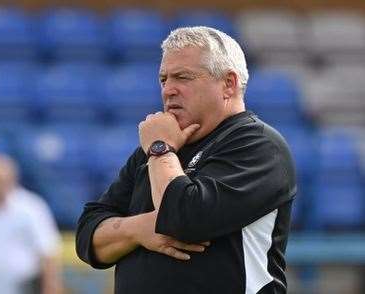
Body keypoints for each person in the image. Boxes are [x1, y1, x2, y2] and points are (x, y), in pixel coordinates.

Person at [76, 26, 296, 294]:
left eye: (182, 77)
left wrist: (160, 149)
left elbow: (183, 220)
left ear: (228, 83)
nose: (168, 90)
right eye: (163, 79)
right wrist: (137, 229)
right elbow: (88, 236)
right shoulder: (156, 149)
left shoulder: (259, 146)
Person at [0, 155, 62, 294]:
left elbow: (48, 256)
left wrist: (50, 289)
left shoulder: (32, 207)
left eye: (0, 180)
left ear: (12, 179)